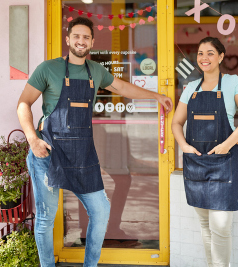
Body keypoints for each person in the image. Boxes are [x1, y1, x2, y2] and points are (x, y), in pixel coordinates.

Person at [16, 17, 172, 267]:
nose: (81, 41)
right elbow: (23, 103)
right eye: (76, 36)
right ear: (67, 39)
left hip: (82, 155)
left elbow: (121, 87)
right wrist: (32, 140)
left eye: (86, 37)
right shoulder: (48, 68)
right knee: (46, 218)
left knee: (100, 212)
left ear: (92, 42)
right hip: (48, 153)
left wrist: (156, 96)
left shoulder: (96, 71)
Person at [171, 37, 238, 267]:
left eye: (210, 53)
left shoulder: (233, 82)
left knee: (221, 226)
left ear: (220, 56)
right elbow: (176, 123)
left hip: (223, 162)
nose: (204, 58)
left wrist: (227, 145)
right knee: (205, 225)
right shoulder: (190, 88)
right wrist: (184, 146)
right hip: (196, 162)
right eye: (200, 53)